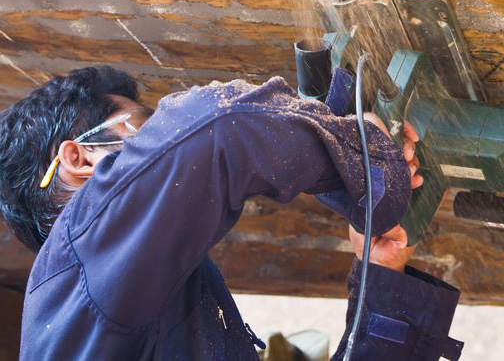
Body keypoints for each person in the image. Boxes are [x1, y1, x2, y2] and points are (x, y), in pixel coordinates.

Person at [0, 66, 463, 360]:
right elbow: (216, 125)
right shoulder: (83, 262)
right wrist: (357, 155)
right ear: (79, 160)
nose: (157, 143)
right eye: (145, 132)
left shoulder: (127, 302)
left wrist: (380, 282)